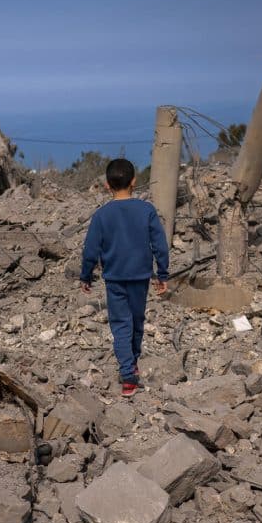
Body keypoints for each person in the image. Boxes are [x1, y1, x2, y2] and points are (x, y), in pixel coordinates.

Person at [79, 158, 169, 397]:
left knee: (121, 325)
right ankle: (132, 364)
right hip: (140, 277)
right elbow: (160, 244)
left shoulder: (101, 215)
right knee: (137, 321)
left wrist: (85, 275)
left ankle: (128, 374)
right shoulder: (147, 210)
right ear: (134, 181)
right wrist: (163, 273)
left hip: (115, 278)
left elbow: (90, 249)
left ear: (107, 185)